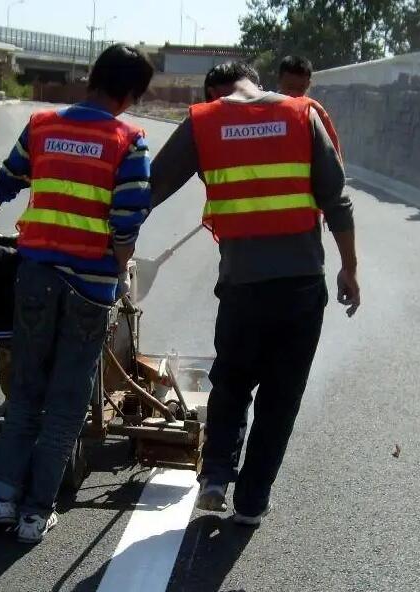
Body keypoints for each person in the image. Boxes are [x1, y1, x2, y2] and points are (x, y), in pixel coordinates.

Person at [0, 43, 155, 544]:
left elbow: (3, 184)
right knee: (67, 401)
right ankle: (35, 513)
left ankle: (1, 500)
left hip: (36, 279)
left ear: (91, 78)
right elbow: (125, 223)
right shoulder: (128, 140)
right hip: (88, 289)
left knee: (25, 393)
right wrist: (118, 277)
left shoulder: (43, 126)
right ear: (130, 95)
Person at [150, 62, 360, 525]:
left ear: (213, 94)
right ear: (257, 82)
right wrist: (349, 268)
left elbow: (151, 187)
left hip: (243, 289)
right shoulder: (302, 114)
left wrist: (111, 241)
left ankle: (216, 477)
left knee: (232, 383)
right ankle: (252, 500)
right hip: (302, 286)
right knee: (281, 398)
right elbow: (337, 199)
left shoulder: (204, 121)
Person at [278, 55, 342, 158]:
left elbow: (333, 155)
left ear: (308, 85)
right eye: (289, 87)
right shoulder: (263, 110)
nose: (294, 94)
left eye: (300, 89)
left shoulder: (315, 112)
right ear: (279, 81)